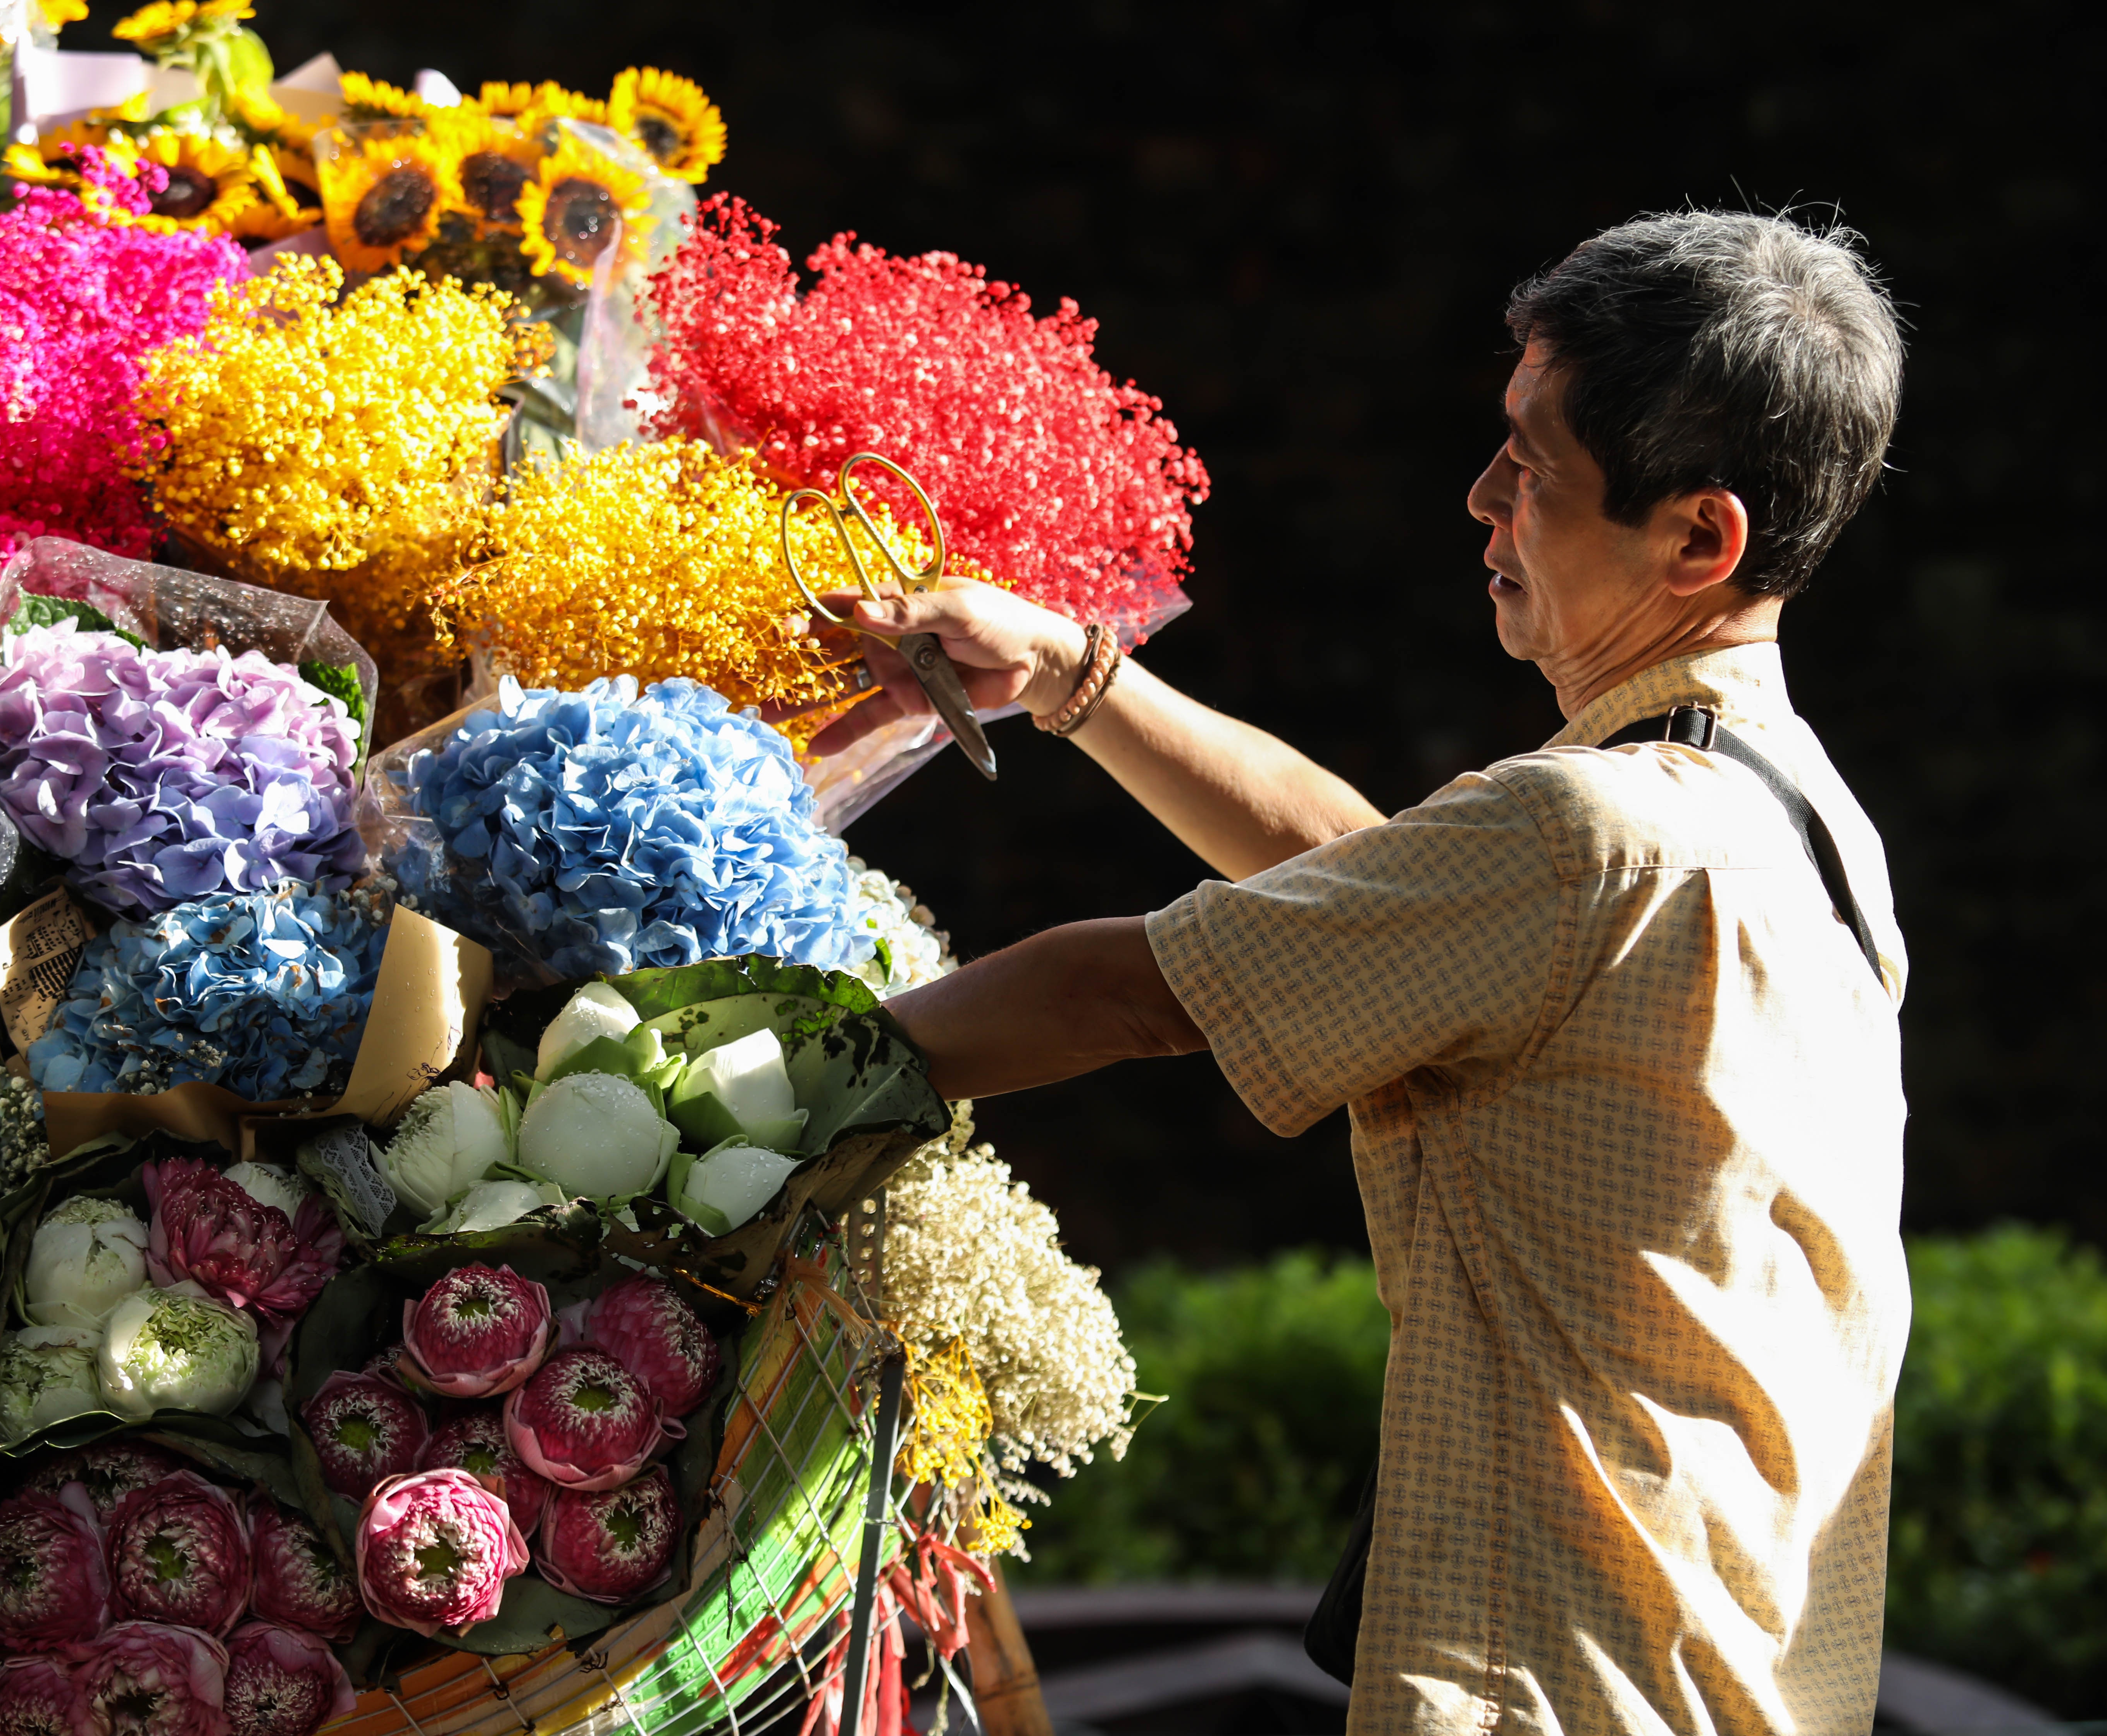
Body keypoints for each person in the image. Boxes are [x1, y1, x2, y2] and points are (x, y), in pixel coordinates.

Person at [812, 210, 1910, 1734]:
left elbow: (1126, 991)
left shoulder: (1595, 829)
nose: (1483, 497)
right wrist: (1073, 673)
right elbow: (1374, 879)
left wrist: (746, 1079)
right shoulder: (1806, 824)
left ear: (1699, 538)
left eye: (1533, 464)